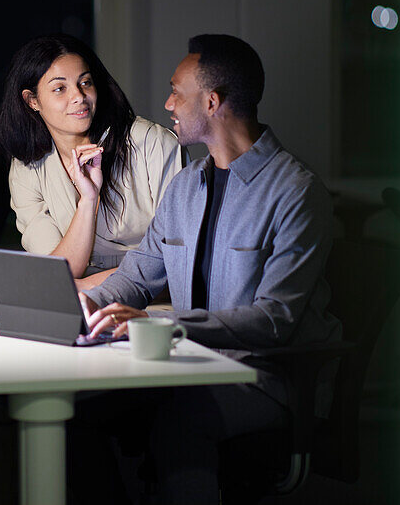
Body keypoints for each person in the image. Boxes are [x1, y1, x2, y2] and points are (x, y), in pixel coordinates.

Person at [78, 34, 340, 503]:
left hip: (266, 380)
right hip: (190, 366)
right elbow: (137, 278)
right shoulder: (185, 186)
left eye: (177, 90)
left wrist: (166, 327)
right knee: (81, 409)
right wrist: (81, 306)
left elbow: (274, 320)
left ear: (212, 101)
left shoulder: (297, 192)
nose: (167, 102)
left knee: (180, 418)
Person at [0, 34, 182, 290]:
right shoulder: (28, 167)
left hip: (151, 305)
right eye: (60, 89)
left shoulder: (152, 143)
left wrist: (83, 288)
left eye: (85, 83)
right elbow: (59, 271)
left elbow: (176, 260)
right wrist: (88, 201)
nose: (79, 97)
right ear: (33, 101)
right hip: (75, 305)